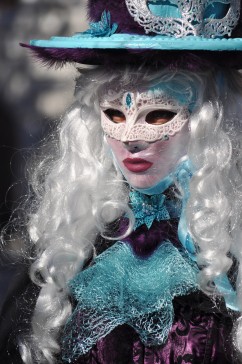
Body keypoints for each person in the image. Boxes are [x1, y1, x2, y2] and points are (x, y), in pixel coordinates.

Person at [18, 1, 242, 363]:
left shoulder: (227, 250)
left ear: (209, 124)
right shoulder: (81, 245)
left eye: (158, 115)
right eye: (114, 114)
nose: (130, 138)